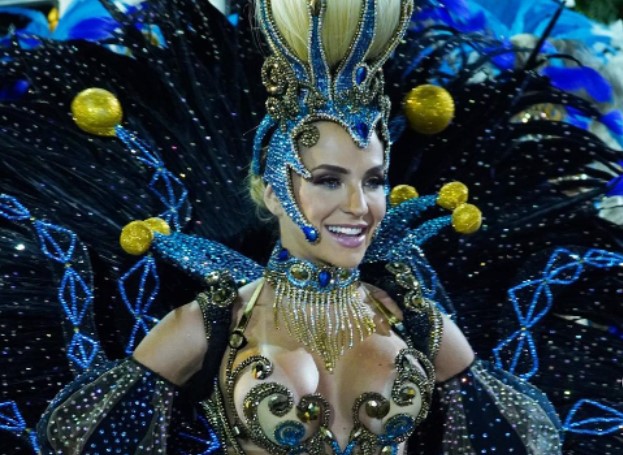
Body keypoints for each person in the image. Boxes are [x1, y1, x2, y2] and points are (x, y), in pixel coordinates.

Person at [0, 0, 620, 454]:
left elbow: (507, 441)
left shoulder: (415, 319)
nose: (359, 205)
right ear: (273, 191)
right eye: (327, 179)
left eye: (373, 181)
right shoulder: (207, 324)